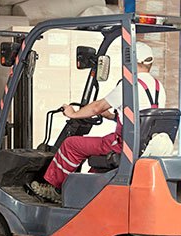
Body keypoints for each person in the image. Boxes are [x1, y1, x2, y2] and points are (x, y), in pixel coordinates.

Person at [29, 42, 166, 204]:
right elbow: (136, 117)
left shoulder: (130, 84)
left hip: (122, 144)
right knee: (95, 164)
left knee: (71, 145)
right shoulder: (158, 87)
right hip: (142, 144)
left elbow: (96, 107)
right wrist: (109, 115)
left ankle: (55, 188)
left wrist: (73, 113)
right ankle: (82, 194)